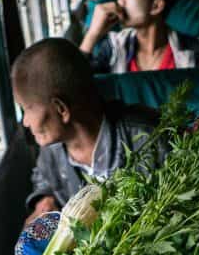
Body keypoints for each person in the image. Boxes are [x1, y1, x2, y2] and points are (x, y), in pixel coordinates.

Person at [12, 38, 164, 225]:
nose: (25, 122)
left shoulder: (151, 140)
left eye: (27, 109)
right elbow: (43, 176)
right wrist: (45, 198)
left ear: (61, 109)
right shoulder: (52, 150)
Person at [80, 0, 195, 73]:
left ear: (155, 6)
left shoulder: (191, 52)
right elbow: (75, 87)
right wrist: (92, 35)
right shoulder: (114, 48)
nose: (120, 0)